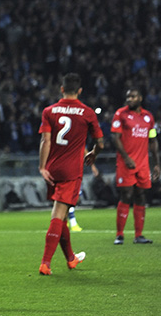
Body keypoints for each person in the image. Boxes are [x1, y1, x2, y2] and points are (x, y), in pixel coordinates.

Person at [38, 73, 104, 275]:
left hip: (53, 168)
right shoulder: (87, 112)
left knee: (63, 215)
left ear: (61, 89)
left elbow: (45, 141)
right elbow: (100, 143)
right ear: (80, 91)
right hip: (71, 171)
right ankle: (45, 263)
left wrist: (42, 167)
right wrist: (94, 154)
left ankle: (71, 258)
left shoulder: (49, 111)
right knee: (58, 214)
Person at [110, 88, 161, 245]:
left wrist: (157, 164)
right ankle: (119, 235)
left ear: (140, 98)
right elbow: (115, 137)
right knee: (126, 194)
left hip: (143, 164)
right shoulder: (121, 114)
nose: (129, 99)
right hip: (126, 163)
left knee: (140, 195)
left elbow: (152, 140)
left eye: (132, 96)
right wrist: (126, 158)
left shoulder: (148, 117)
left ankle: (139, 235)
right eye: (128, 97)